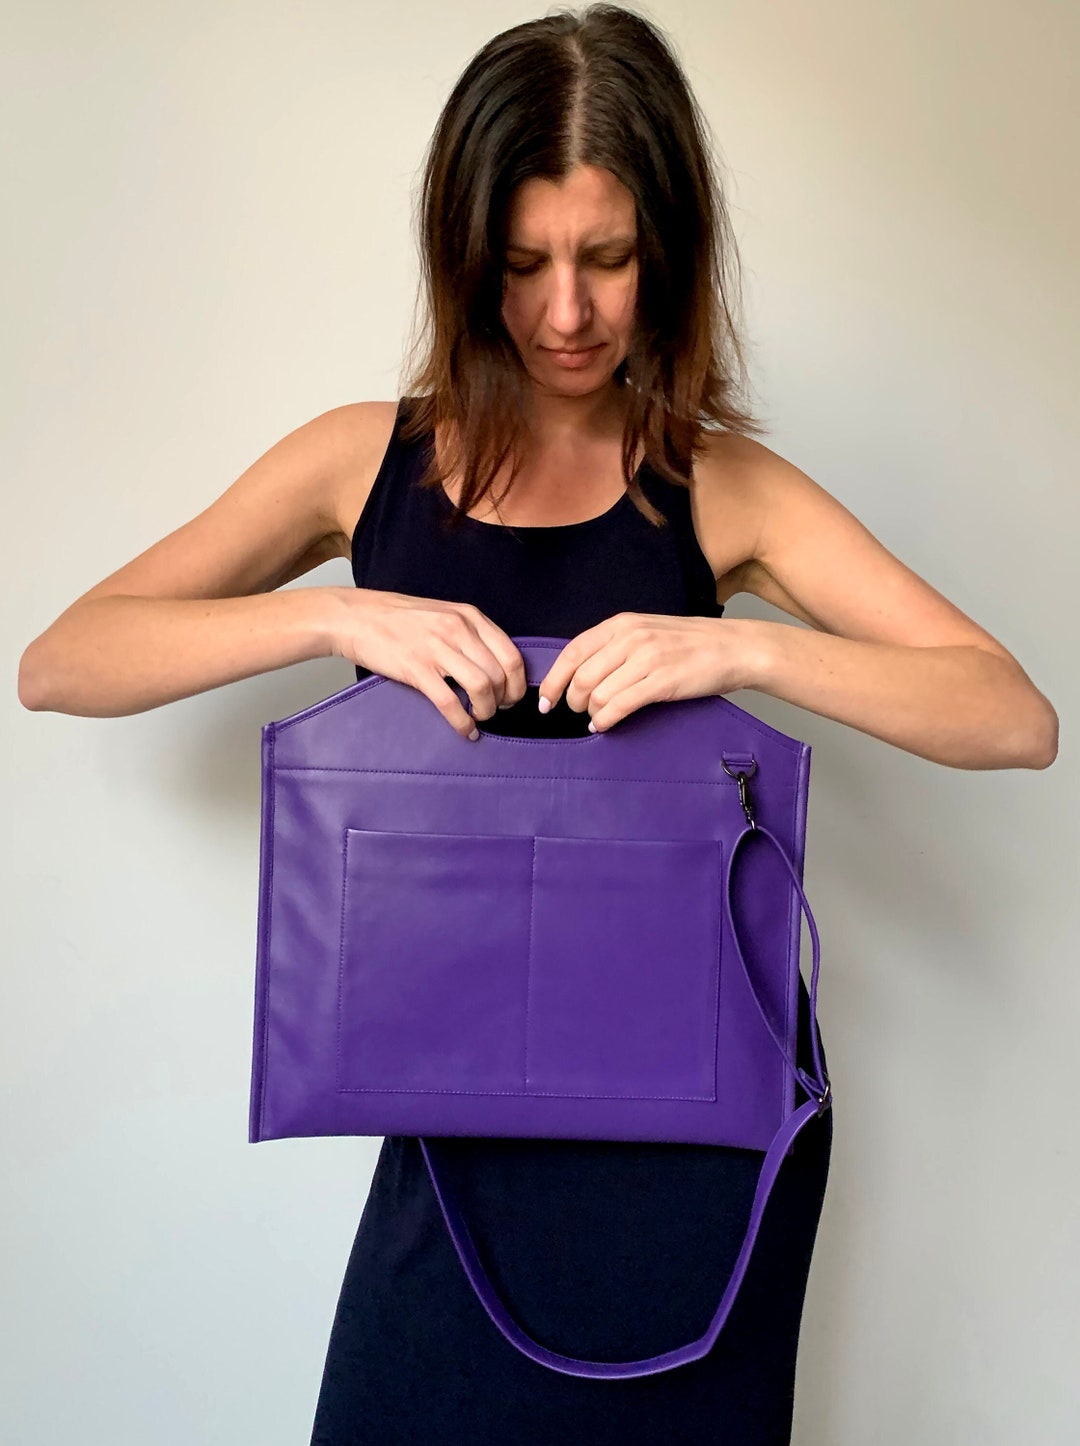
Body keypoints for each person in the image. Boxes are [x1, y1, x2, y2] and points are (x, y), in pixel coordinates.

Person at [18, 5, 1058, 1443]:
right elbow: (63, 660)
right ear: (464, 256)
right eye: (522, 264)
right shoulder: (361, 463)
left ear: (669, 250)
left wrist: (739, 649)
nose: (566, 312)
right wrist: (336, 622)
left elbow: (1011, 715)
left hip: (695, 1129)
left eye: (608, 258)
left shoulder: (719, 486)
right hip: (455, 1127)